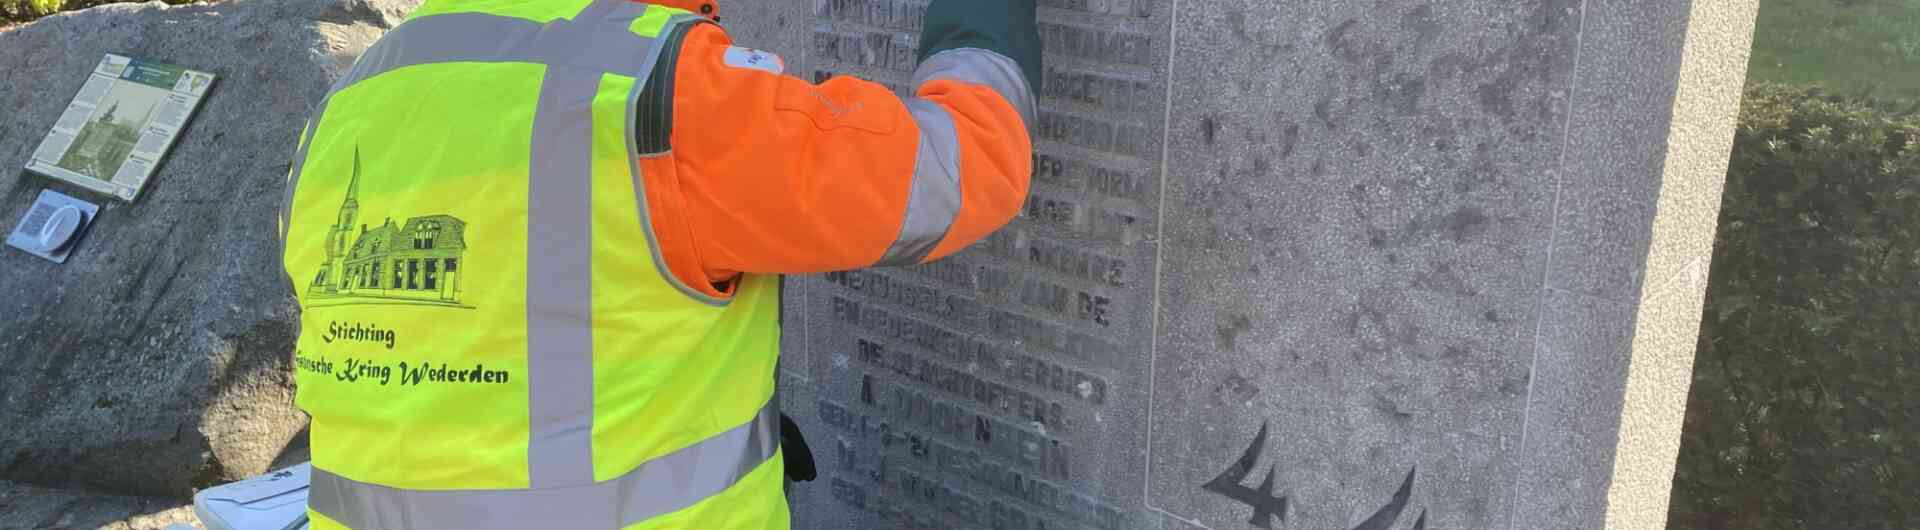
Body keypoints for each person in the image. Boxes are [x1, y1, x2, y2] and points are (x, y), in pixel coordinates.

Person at [274, 0, 1040, 528]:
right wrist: (982, 26)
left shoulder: (352, 98)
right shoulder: (664, 87)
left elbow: (481, 333)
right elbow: (954, 170)